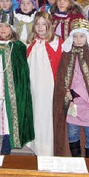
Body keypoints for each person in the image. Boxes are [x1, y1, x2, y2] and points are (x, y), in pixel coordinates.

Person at [53, 18, 89, 158]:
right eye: (75, 36)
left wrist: (85, 95)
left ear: (87, 37)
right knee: (72, 133)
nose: (78, 39)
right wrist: (65, 91)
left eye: (82, 36)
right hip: (72, 104)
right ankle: (75, 159)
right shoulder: (66, 54)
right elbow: (61, 78)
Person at [0, 18, 34, 155]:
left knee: (8, 124)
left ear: (12, 29)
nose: (3, 29)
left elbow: (23, 72)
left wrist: (16, 91)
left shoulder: (18, 47)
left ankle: (6, 151)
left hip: (11, 94)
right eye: (0, 26)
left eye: (7, 26)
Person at [26, 11, 61, 156]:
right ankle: (38, 148)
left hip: (50, 88)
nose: (40, 28)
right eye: (38, 24)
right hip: (34, 88)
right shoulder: (30, 42)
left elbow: (61, 66)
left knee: (48, 118)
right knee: (36, 117)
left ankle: (49, 150)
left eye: (44, 24)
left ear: (50, 26)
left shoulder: (57, 42)